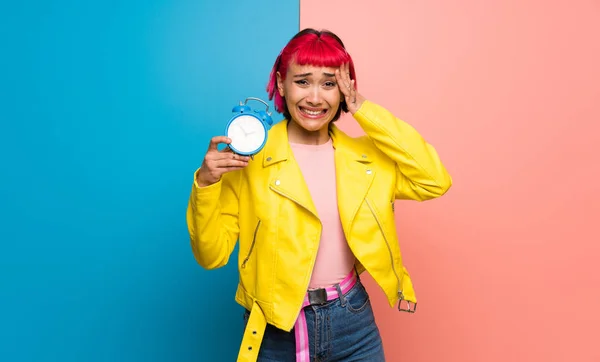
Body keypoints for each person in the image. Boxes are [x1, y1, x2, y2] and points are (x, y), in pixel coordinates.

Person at [186, 28, 452, 362]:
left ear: (345, 90)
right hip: (273, 330)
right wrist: (207, 184)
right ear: (282, 83)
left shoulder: (367, 161)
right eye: (302, 81)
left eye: (329, 83)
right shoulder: (248, 161)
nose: (315, 98)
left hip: (353, 323)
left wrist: (364, 108)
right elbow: (210, 255)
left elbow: (434, 180)